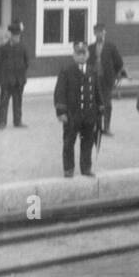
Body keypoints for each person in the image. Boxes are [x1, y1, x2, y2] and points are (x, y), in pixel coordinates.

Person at [54, 42, 102, 177]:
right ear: (73, 55)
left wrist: (100, 108)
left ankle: (86, 168)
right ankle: (68, 169)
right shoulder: (66, 70)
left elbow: (97, 91)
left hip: (88, 114)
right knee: (69, 142)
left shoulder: (92, 70)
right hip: (72, 115)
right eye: (78, 54)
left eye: (83, 53)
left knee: (87, 142)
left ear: (88, 54)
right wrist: (61, 112)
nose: (81, 56)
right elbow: (60, 92)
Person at [0, 21, 29, 130]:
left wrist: (21, 74)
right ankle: (2, 122)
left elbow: (26, 63)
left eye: (18, 36)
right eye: (15, 36)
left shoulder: (23, 48)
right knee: (4, 101)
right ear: (10, 36)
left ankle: (17, 121)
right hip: (6, 81)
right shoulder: (2, 49)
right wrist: (2, 75)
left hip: (19, 80)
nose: (17, 38)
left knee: (18, 101)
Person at [93, 24, 127, 136]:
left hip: (106, 80)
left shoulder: (110, 47)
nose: (100, 34)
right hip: (94, 80)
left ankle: (106, 127)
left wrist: (116, 75)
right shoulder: (90, 48)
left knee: (107, 104)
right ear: (94, 33)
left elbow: (119, 62)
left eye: (102, 32)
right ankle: (97, 127)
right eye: (98, 32)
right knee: (95, 104)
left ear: (105, 33)